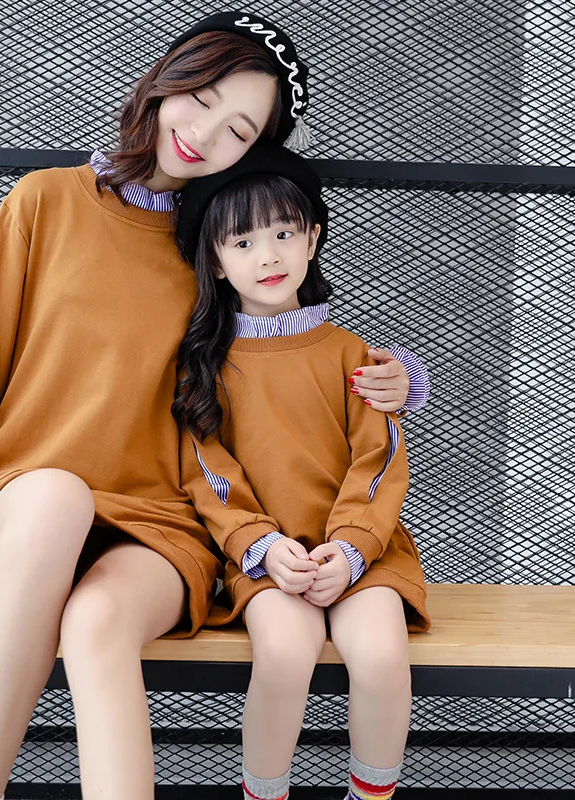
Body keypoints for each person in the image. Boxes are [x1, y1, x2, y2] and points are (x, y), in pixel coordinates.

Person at [0, 12, 430, 800]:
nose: (203, 134)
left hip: (162, 526)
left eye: (238, 131)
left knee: (97, 622)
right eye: (201, 98)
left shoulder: (221, 251)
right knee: (57, 497)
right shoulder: (45, 202)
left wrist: (400, 378)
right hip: (24, 505)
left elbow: (289, 356)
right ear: (167, 79)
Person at [173, 143, 430, 800]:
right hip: (267, 561)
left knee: (381, 655)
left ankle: (370, 796)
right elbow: (207, 473)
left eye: (284, 233)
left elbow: (379, 460)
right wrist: (260, 546)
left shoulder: (355, 356)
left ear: (312, 240)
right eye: (244, 242)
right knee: (285, 654)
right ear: (216, 261)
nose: (268, 256)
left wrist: (351, 549)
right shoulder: (206, 366)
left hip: (363, 555)